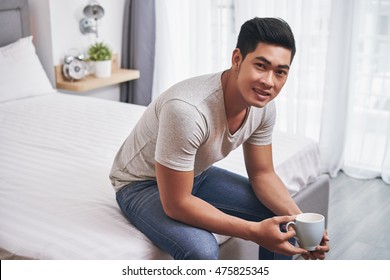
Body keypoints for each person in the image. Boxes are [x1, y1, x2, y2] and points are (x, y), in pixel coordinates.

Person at [110, 17, 330, 260]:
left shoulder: (264, 106)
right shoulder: (187, 110)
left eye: (280, 72)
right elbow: (176, 203)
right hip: (140, 184)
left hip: (195, 172)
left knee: (283, 221)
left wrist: (299, 220)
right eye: (260, 66)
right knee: (201, 249)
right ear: (237, 59)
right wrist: (254, 231)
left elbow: (263, 173)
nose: (269, 82)